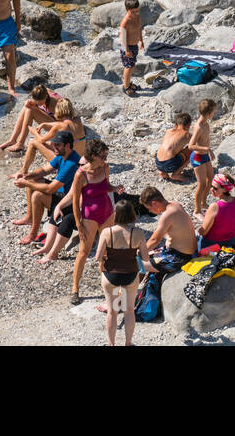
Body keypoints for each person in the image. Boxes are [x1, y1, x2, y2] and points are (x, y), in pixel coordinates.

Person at [96, 200, 152, 345]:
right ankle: (128, 343)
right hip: (130, 274)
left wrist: (108, 256)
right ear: (132, 215)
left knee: (112, 312)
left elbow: (98, 257)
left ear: (116, 214)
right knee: (128, 311)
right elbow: (145, 258)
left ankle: (111, 343)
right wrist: (134, 252)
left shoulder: (107, 232)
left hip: (110, 275)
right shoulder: (138, 233)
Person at [70, 139, 117, 305]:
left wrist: (115, 188)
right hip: (89, 217)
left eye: (106, 154)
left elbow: (107, 186)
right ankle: (75, 289)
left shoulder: (105, 167)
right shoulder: (80, 174)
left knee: (106, 251)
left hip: (107, 213)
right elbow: (75, 201)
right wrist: (78, 223)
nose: (105, 158)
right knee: (84, 251)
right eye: (102, 155)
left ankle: (106, 286)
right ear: (92, 156)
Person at [15, 130, 80, 246]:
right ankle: (30, 217)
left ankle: (33, 234)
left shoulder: (72, 163)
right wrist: (27, 176)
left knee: (37, 196)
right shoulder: (62, 155)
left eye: (58, 145)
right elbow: (44, 170)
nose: (54, 147)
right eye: (54, 144)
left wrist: (26, 183)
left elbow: (50, 189)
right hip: (61, 193)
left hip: (68, 202)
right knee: (32, 180)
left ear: (68, 146)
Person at [140, 186, 198, 274]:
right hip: (182, 252)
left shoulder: (167, 214)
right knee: (148, 254)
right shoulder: (175, 204)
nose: (150, 211)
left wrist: (141, 252)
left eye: (149, 208)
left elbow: (155, 239)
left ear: (154, 203)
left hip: (178, 258)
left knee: (136, 264)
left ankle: (133, 287)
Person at [0, 83, 57, 153]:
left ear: (45, 98)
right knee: (27, 106)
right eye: (35, 101)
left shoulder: (53, 104)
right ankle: (13, 140)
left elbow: (63, 124)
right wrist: (30, 103)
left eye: (39, 103)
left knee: (30, 110)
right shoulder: (42, 91)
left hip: (57, 126)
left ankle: (20, 144)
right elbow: (37, 103)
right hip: (50, 118)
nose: (37, 104)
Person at [196, 174, 235, 250]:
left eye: (215, 188)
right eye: (211, 186)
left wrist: (196, 230)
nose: (211, 190)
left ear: (225, 189)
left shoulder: (215, 206)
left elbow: (203, 232)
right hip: (233, 241)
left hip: (214, 244)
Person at [189, 99, 217, 213]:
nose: (214, 113)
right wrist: (207, 149)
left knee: (210, 179)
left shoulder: (206, 123)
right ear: (209, 113)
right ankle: (197, 210)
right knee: (201, 184)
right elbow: (190, 146)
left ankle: (203, 202)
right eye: (214, 112)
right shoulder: (199, 127)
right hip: (198, 157)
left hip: (204, 156)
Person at [156, 113, 193, 181]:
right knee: (192, 149)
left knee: (171, 150)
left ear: (175, 125)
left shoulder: (168, 131)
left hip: (158, 163)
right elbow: (197, 145)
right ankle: (176, 174)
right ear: (188, 125)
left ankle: (163, 173)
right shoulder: (187, 134)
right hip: (169, 164)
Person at [120, 0, 142, 97]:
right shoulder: (125, 22)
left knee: (132, 65)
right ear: (126, 10)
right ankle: (126, 87)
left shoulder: (137, 16)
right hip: (127, 47)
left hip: (134, 45)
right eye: (133, 12)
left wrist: (141, 40)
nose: (136, 13)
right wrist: (126, 50)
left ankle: (128, 83)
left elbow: (139, 28)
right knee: (128, 67)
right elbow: (122, 38)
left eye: (137, 11)